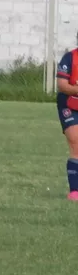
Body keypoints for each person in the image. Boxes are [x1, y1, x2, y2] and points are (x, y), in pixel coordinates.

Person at [55, 38, 78, 200]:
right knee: (75, 141)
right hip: (69, 105)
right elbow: (62, 85)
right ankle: (75, 191)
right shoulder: (70, 58)